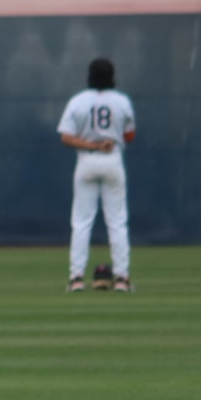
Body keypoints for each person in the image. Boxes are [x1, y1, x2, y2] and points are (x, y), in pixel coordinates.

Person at [59, 58, 137, 293]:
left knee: (82, 222)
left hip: (86, 160)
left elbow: (65, 137)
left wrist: (91, 145)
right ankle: (122, 277)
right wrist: (109, 141)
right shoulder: (122, 101)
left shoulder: (78, 101)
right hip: (112, 159)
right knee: (117, 222)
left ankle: (76, 278)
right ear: (112, 76)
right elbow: (130, 135)